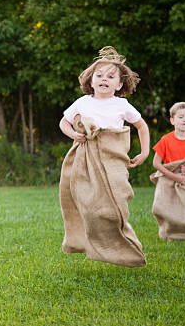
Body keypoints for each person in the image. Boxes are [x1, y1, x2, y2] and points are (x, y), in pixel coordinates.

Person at [58, 46, 149, 267]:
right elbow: (64, 122)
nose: (104, 79)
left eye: (110, 76)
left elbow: (141, 125)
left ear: (119, 84)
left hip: (113, 159)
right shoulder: (83, 102)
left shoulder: (122, 104)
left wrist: (145, 151)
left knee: (117, 202)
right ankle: (89, 243)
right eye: (99, 75)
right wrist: (74, 134)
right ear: (91, 81)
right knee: (90, 204)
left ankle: (124, 243)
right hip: (86, 158)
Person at [150, 102, 185, 240]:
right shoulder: (166, 140)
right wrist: (174, 176)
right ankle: (169, 231)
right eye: (181, 117)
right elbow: (156, 163)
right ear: (172, 120)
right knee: (165, 206)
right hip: (169, 178)